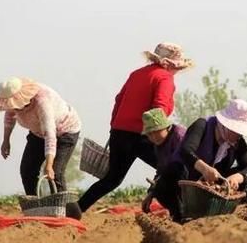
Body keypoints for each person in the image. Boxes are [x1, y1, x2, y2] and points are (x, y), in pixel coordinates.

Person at [78, 42, 193, 212]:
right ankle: (182, 211)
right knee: (174, 169)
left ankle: (77, 208)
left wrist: (114, 128)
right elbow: (159, 108)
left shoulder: (136, 74)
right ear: (169, 64)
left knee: (112, 179)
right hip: (145, 135)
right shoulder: (164, 78)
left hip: (120, 132)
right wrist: (161, 137)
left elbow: (119, 100)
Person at [152, 99, 247, 222]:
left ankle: (220, 209)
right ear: (227, 125)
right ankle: (180, 215)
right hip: (186, 178)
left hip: (213, 184)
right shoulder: (202, 125)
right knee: (168, 179)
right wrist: (205, 169)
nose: (240, 135)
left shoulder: (237, 142)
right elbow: (186, 151)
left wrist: (237, 177)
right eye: (238, 131)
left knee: (245, 175)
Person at [0, 77, 82, 219]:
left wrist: (49, 165)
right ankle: (37, 211)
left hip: (64, 131)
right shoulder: (13, 105)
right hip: (38, 133)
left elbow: (50, 134)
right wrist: (6, 140)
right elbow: (10, 116)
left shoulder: (42, 102)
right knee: (27, 170)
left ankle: (71, 215)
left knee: (55, 172)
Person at [140, 108, 187, 213]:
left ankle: (183, 212)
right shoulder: (159, 145)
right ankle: (177, 214)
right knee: (159, 188)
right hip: (175, 179)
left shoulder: (179, 136)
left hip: (190, 178)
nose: (153, 137)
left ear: (166, 127)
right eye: (149, 134)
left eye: (156, 132)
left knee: (171, 172)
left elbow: (184, 165)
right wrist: (151, 193)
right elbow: (161, 170)